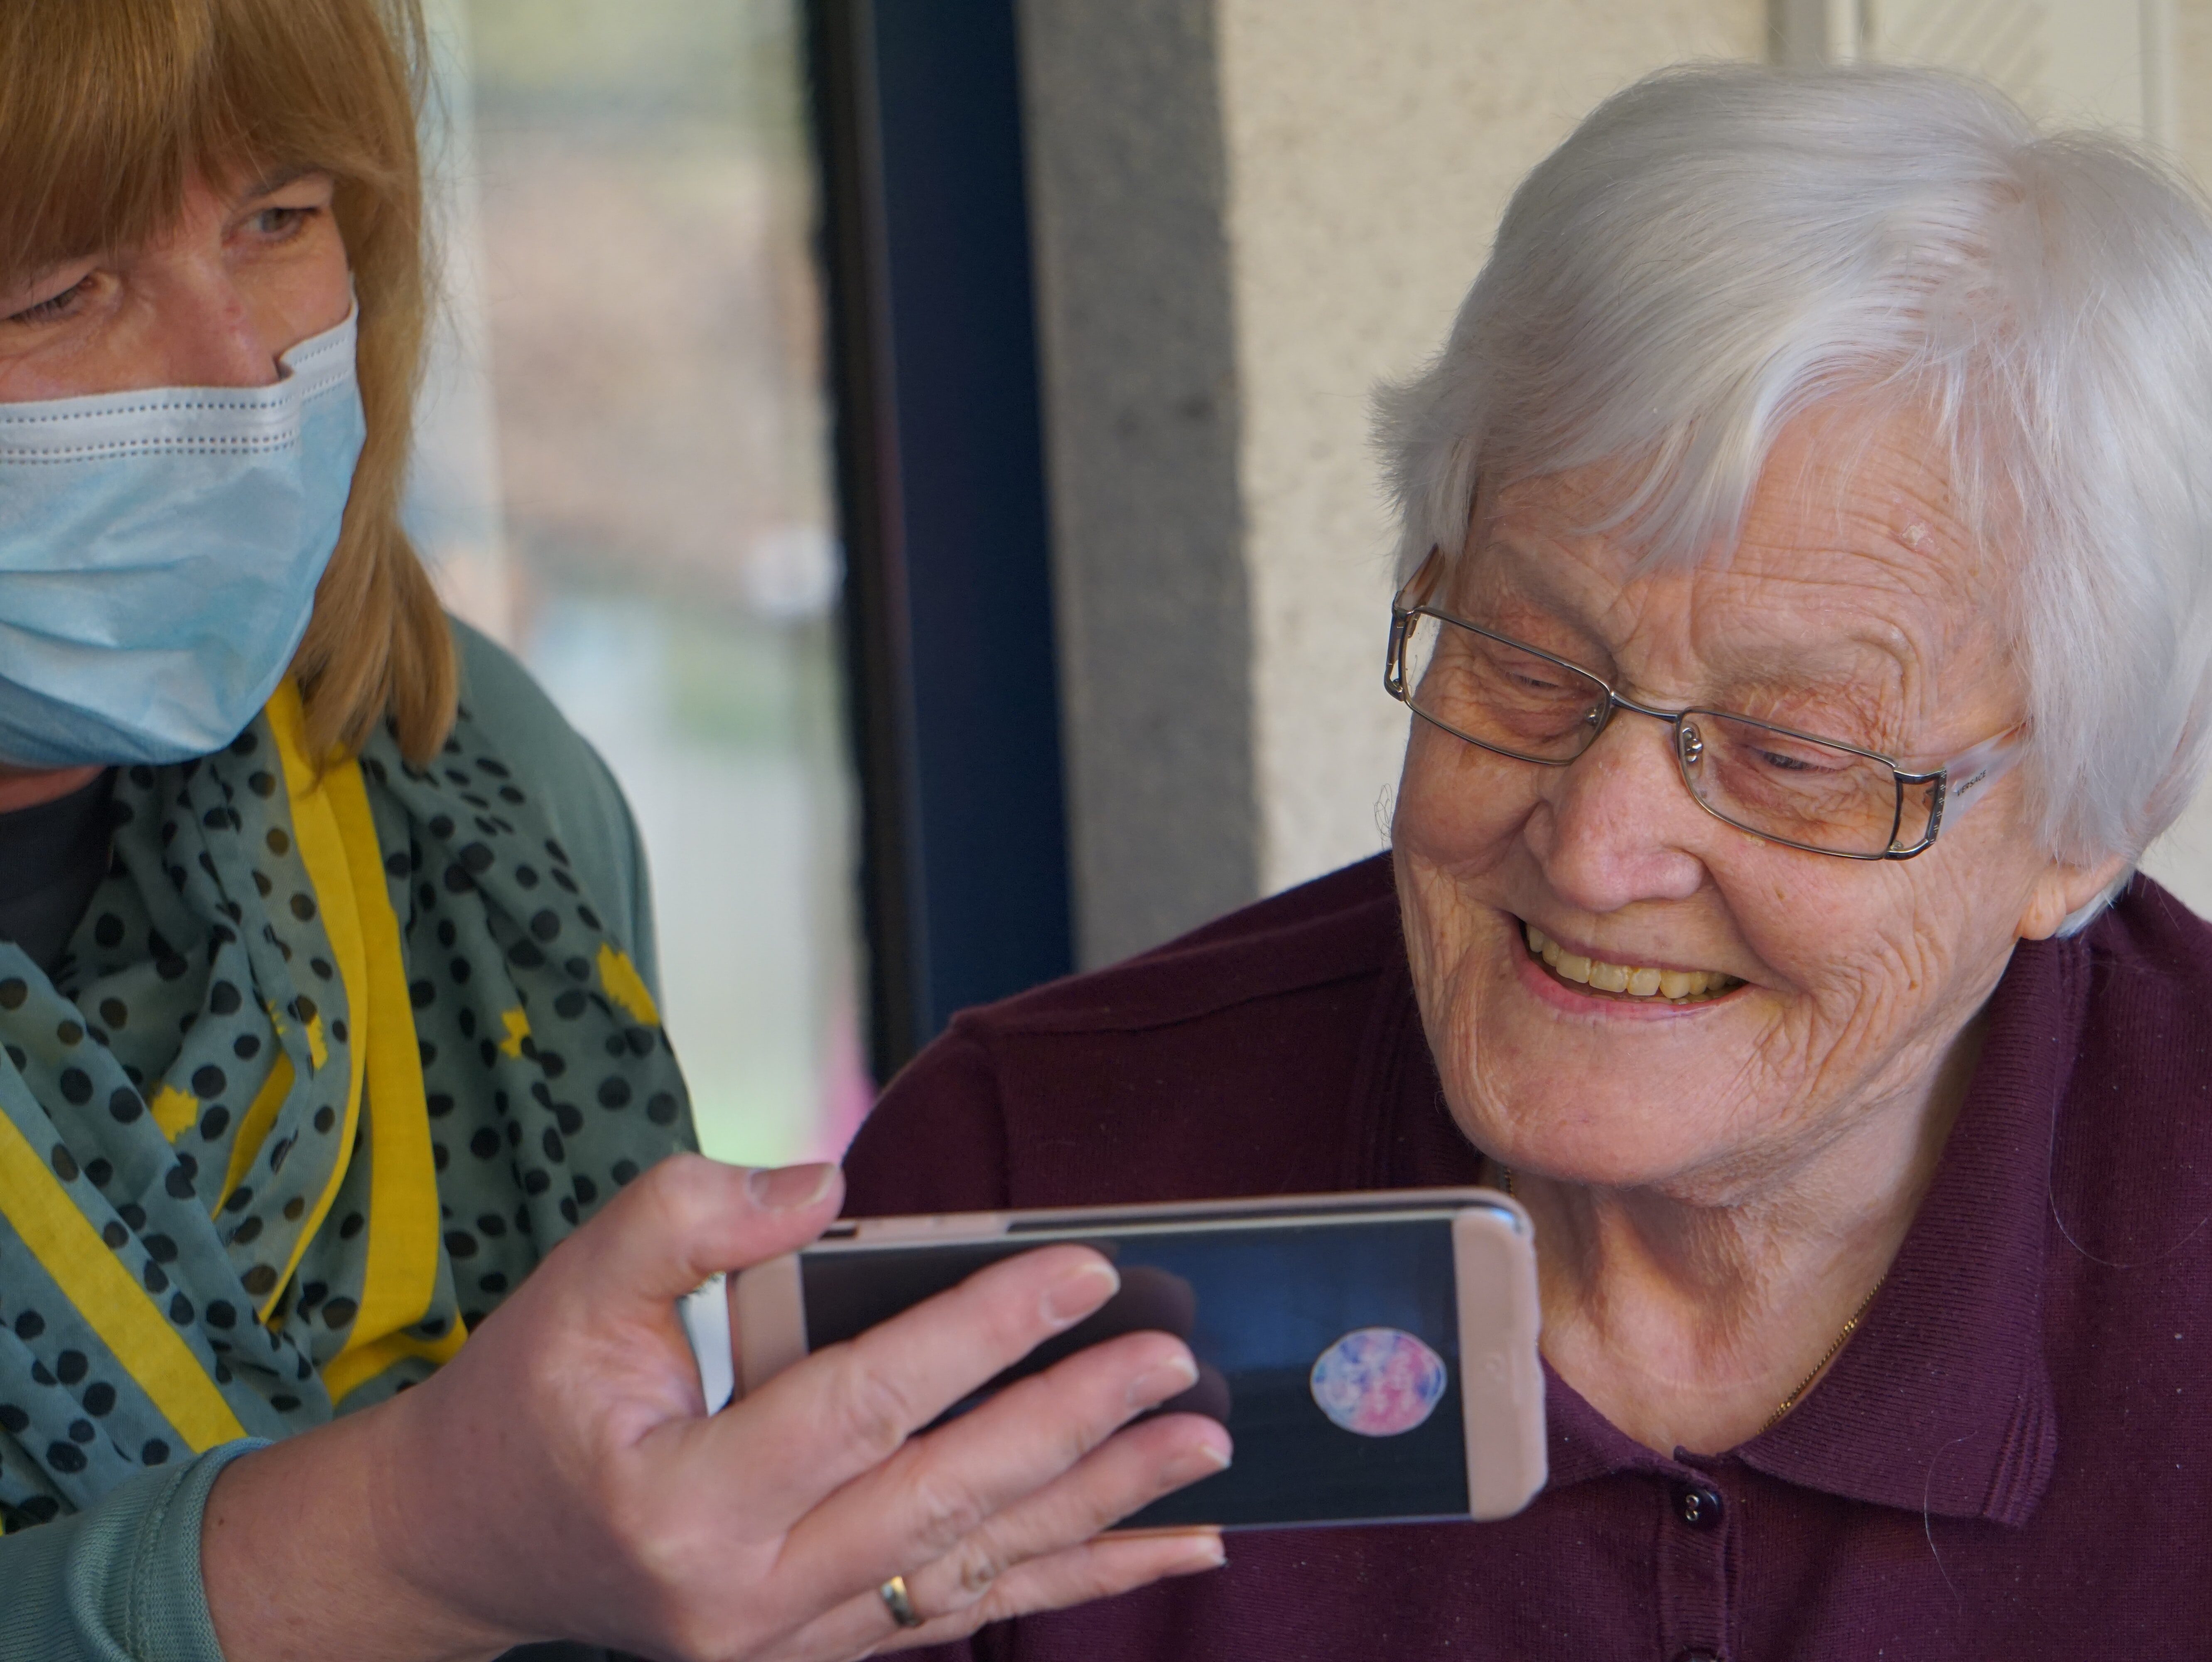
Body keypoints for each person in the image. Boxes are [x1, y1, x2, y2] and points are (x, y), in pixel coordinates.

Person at [844, 64, 2212, 1659]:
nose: (1596, 840)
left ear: (2085, 828)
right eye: (1527, 662)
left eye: (1795, 753)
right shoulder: (1045, 1185)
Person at [0, 2, 1229, 1657]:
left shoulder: (459, 772)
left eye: (279, 222)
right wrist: (404, 1541)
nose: (244, 370)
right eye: (60, 289)